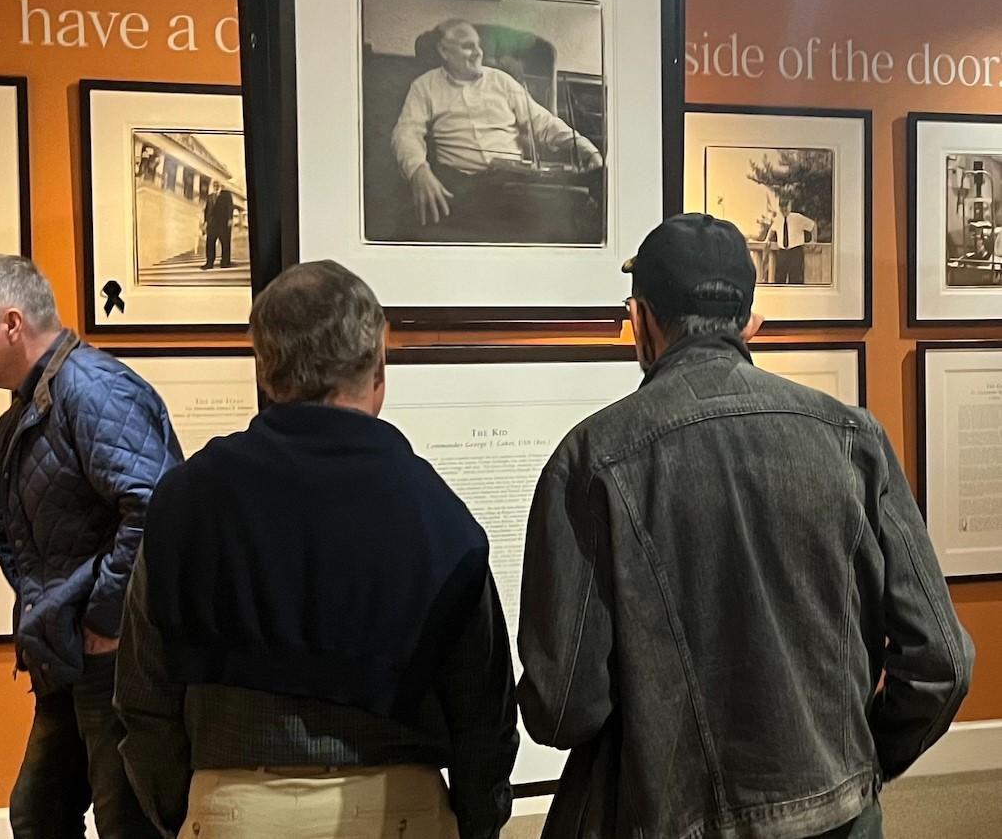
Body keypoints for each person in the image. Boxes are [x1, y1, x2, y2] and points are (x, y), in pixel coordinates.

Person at [517, 213, 974, 839]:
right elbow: (943, 661)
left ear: (641, 320)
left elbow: (563, 707)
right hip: (839, 821)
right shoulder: (854, 439)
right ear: (749, 323)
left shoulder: (591, 457)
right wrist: (861, 762)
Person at [116, 260, 518, 839]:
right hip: (396, 812)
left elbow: (143, 698)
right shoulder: (435, 514)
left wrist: (186, 810)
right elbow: (485, 715)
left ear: (266, 368)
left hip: (232, 809)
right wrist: (477, 823)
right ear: (378, 367)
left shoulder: (185, 499)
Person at [0, 254, 182, 839]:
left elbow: (155, 505)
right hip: (69, 656)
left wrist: (105, 617)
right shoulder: (35, 401)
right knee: (39, 812)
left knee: (125, 822)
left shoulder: (91, 389)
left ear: (11, 323)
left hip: (108, 658)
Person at [390, 19, 603, 233]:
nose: (478, 53)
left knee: (568, 213)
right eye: (467, 46)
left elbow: (543, 122)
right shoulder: (424, 86)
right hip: (459, 183)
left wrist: (584, 147)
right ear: (444, 51)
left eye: (478, 45)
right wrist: (418, 169)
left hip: (511, 181)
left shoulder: (502, 81)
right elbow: (406, 132)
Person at [764, 194, 816, 284]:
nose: (783, 209)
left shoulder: (798, 217)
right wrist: (767, 239)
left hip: (795, 252)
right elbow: (772, 230)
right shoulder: (778, 219)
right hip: (782, 252)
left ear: (789, 205)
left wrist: (814, 240)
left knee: (795, 279)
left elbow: (813, 225)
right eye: (781, 206)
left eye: (785, 206)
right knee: (779, 279)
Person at [201, 179, 233, 269]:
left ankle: (225, 262)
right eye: (214, 184)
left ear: (220, 185)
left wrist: (230, 219)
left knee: (225, 242)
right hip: (212, 224)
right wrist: (205, 222)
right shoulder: (210, 197)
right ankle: (209, 263)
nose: (215, 185)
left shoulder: (226, 194)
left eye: (217, 184)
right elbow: (207, 211)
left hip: (223, 223)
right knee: (210, 243)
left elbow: (230, 206)